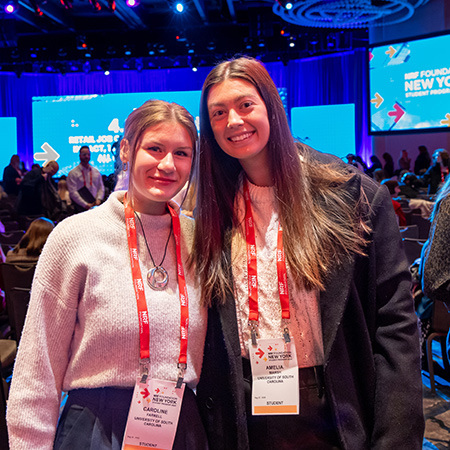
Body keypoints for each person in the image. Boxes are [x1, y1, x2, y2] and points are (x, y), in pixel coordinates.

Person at [193, 56, 424, 449]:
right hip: (246, 411)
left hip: (336, 402)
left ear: (272, 106)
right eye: (218, 112)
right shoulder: (212, 210)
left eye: (245, 105)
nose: (233, 120)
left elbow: (395, 326)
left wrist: (397, 437)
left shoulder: (353, 195)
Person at [7, 100, 208, 449]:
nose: (167, 164)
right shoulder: (75, 237)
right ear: (127, 150)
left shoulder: (202, 240)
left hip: (179, 424)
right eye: (155, 148)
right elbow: (38, 364)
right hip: (94, 426)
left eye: (182, 153)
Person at [67, 145, 105, 212]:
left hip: (95, 206)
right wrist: (85, 204)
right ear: (80, 156)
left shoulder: (96, 172)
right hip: (79, 208)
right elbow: (73, 192)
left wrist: (98, 200)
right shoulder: (73, 173)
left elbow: (101, 188)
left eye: (88, 154)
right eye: (84, 155)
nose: (86, 156)